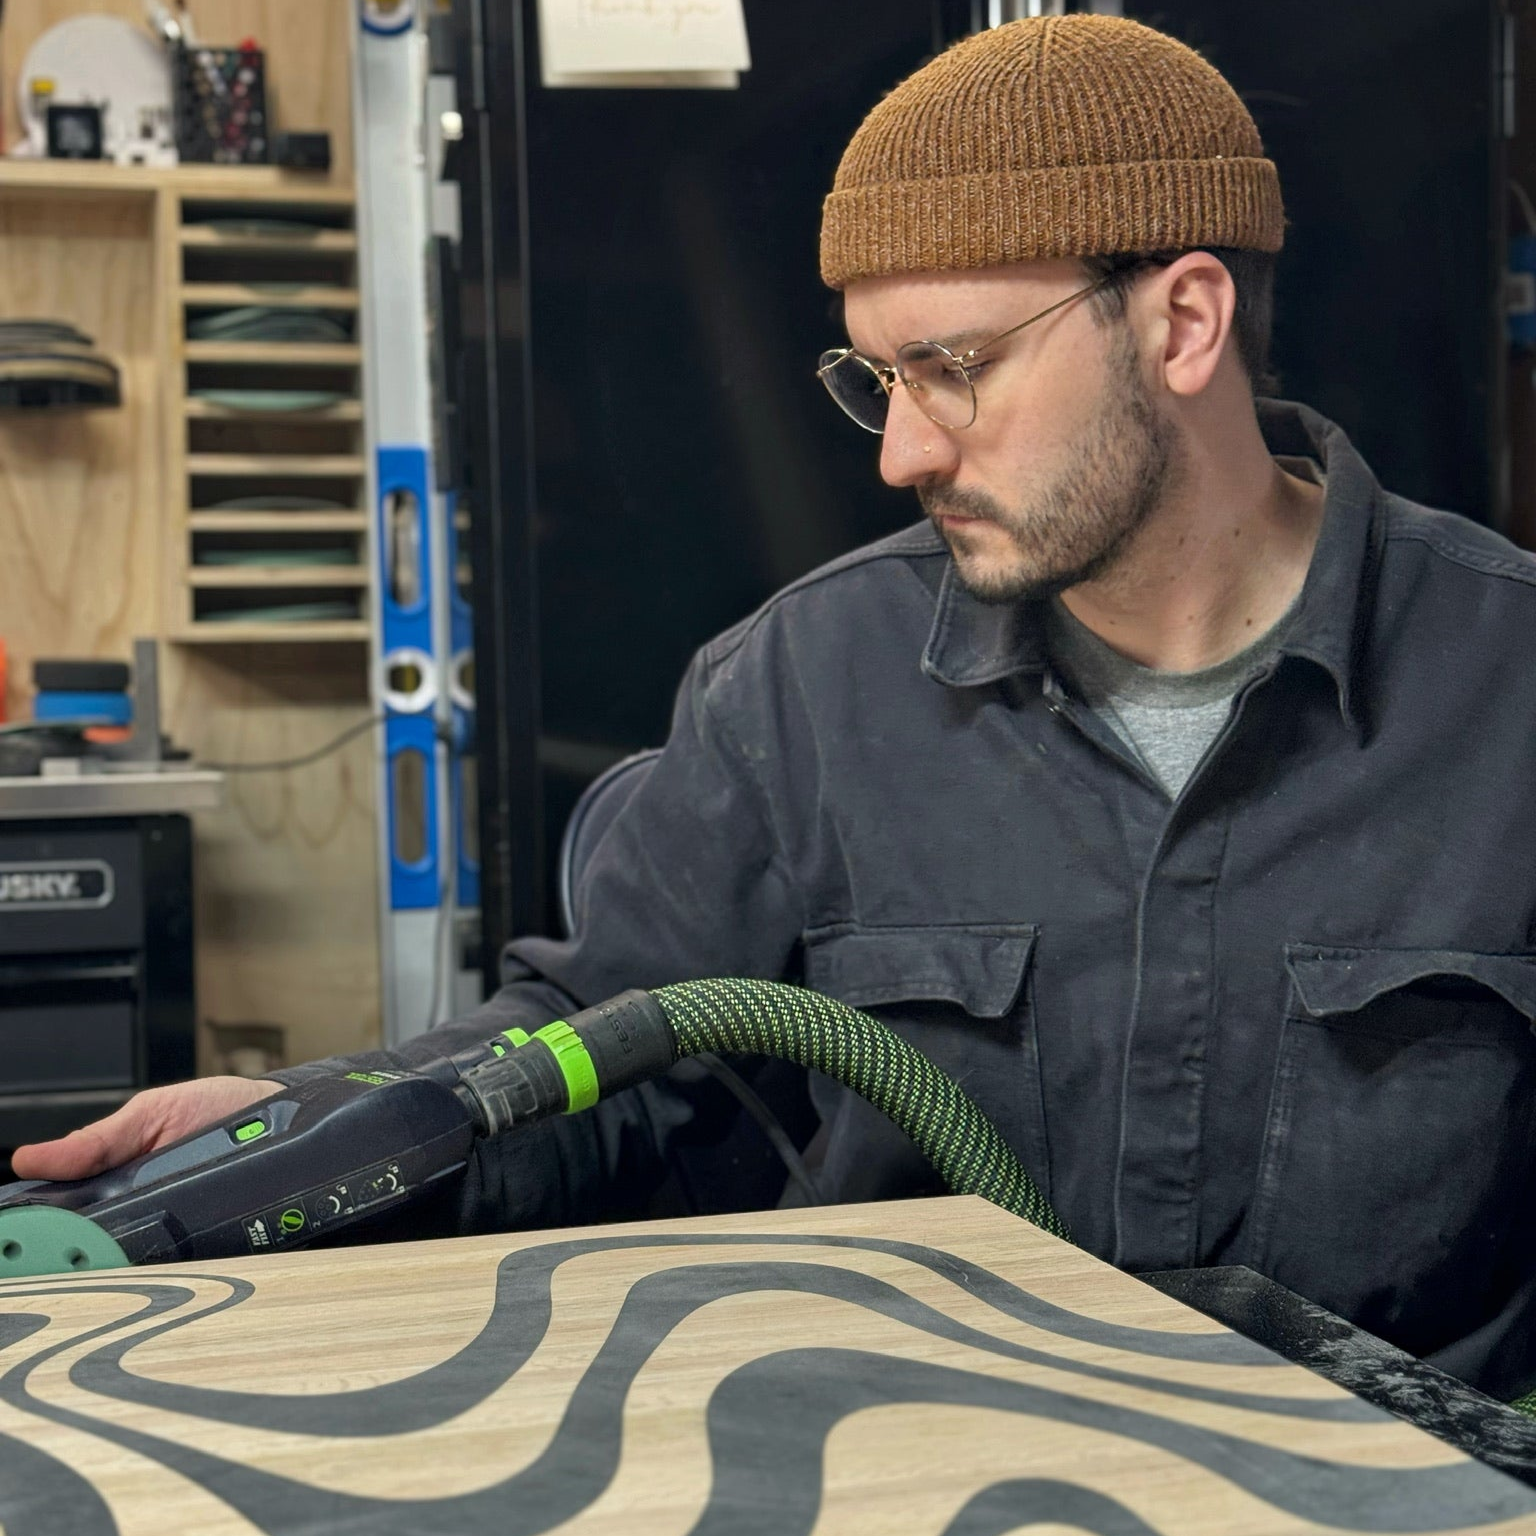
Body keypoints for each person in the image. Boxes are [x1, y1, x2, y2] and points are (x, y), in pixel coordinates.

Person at [18, 15, 1536, 1399]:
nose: (902, 455)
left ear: (1182, 324)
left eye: (951, 370)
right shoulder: (806, 687)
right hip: (910, 1471)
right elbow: (601, 1058)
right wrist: (297, 1132)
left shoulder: (1507, 689)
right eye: (874, 381)